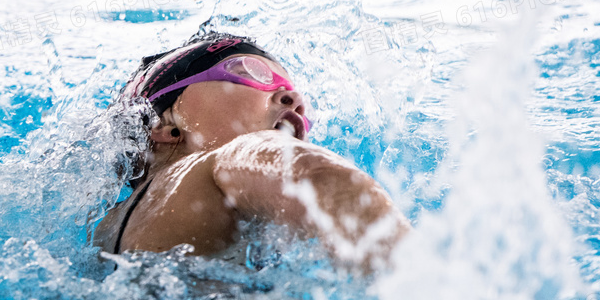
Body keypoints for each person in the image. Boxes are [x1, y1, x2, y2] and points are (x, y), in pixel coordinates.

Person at [93, 32, 409, 273]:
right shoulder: (222, 159)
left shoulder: (105, 234)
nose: (293, 96)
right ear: (164, 124)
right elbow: (321, 177)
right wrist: (420, 284)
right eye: (251, 73)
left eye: (288, 85)